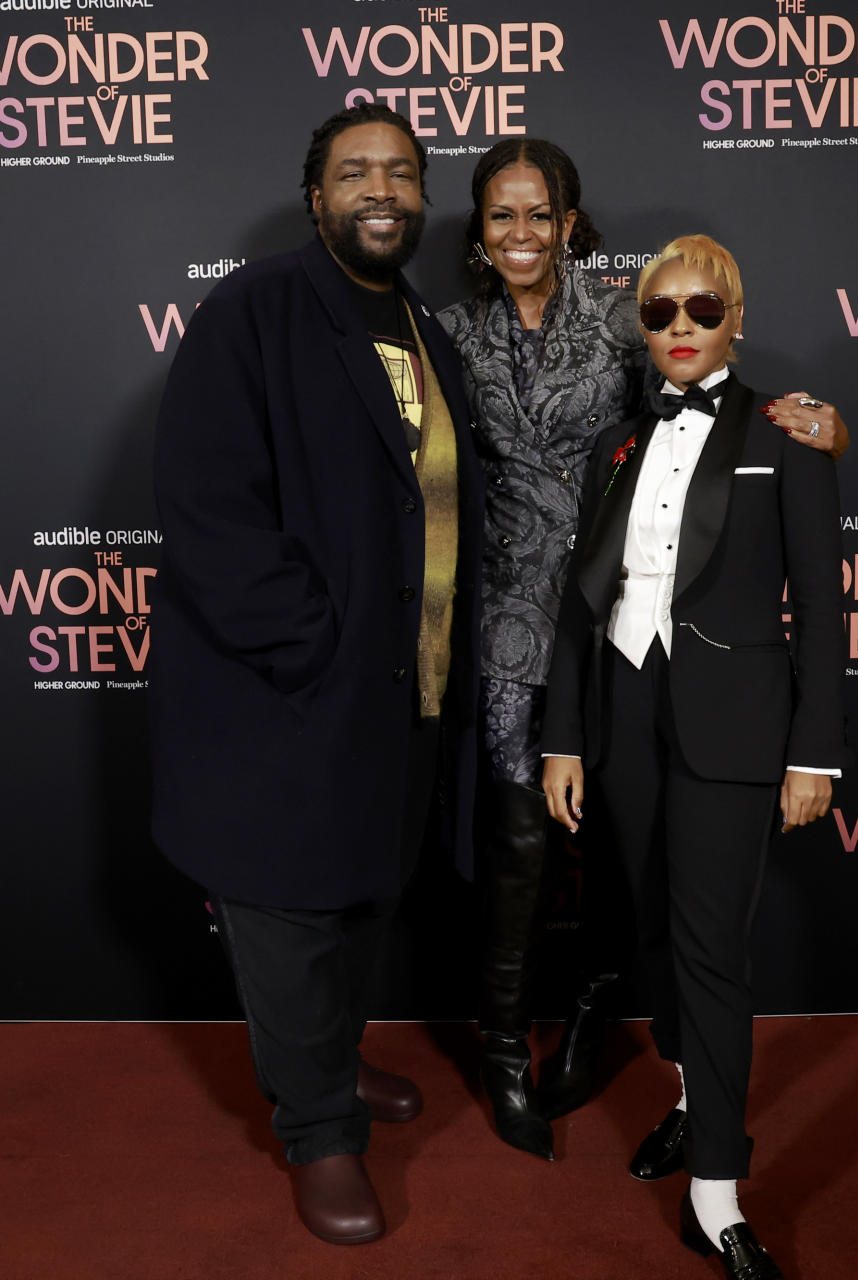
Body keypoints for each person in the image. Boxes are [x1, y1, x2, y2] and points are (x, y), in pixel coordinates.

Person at [439, 140, 850, 1162]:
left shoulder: (630, 319)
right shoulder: (448, 335)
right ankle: (503, 1044)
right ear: (480, 231)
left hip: (628, 613)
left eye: (542, 213)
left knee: (655, 873)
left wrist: (823, 434)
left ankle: (602, 1018)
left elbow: (718, 408)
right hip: (507, 616)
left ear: (572, 223)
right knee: (526, 834)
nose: (524, 232)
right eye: (502, 215)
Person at [149, 103, 484, 1246]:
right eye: (356, 172)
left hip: (405, 692)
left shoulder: (424, 324)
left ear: (424, 198)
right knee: (288, 908)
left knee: (362, 894)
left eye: (401, 171)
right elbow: (207, 510)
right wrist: (314, 645)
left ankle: (332, 1061)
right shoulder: (255, 310)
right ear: (316, 196)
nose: (380, 189)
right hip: (291, 694)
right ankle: (319, 1127)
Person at [542, 234, 847, 1279]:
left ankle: (715, 1189)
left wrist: (817, 752)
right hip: (624, 720)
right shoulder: (614, 447)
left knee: (712, 948)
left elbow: (824, 605)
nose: (679, 327)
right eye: (661, 311)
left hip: (737, 730)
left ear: (736, 317)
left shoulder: (790, 434)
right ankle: (688, 1098)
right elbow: (583, 606)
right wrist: (567, 736)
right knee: (657, 935)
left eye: (701, 309)